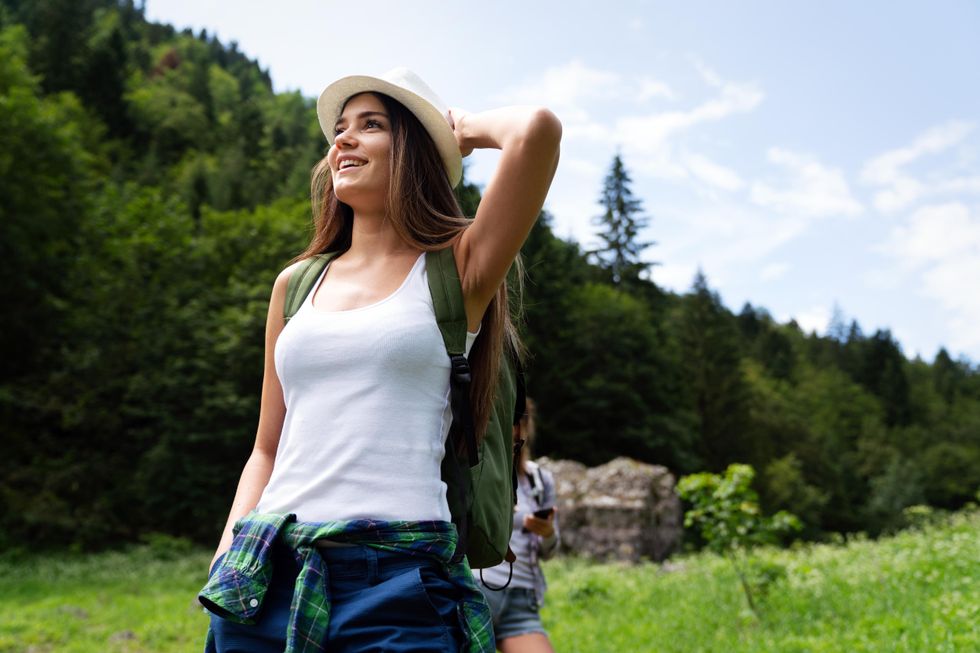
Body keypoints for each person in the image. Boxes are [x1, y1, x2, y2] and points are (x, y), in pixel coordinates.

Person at [198, 67, 560, 653]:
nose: (342, 139)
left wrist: (457, 131)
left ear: (415, 148)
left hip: (399, 581)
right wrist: (227, 555)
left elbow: (536, 132)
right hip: (266, 572)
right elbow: (267, 445)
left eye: (371, 125)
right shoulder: (294, 285)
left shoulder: (457, 268)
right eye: (339, 129)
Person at [479, 399, 559, 653]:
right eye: (507, 422)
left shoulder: (540, 480)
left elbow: (549, 551)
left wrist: (548, 533)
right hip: (479, 590)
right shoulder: (477, 470)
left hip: (522, 599)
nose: (513, 430)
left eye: (519, 422)